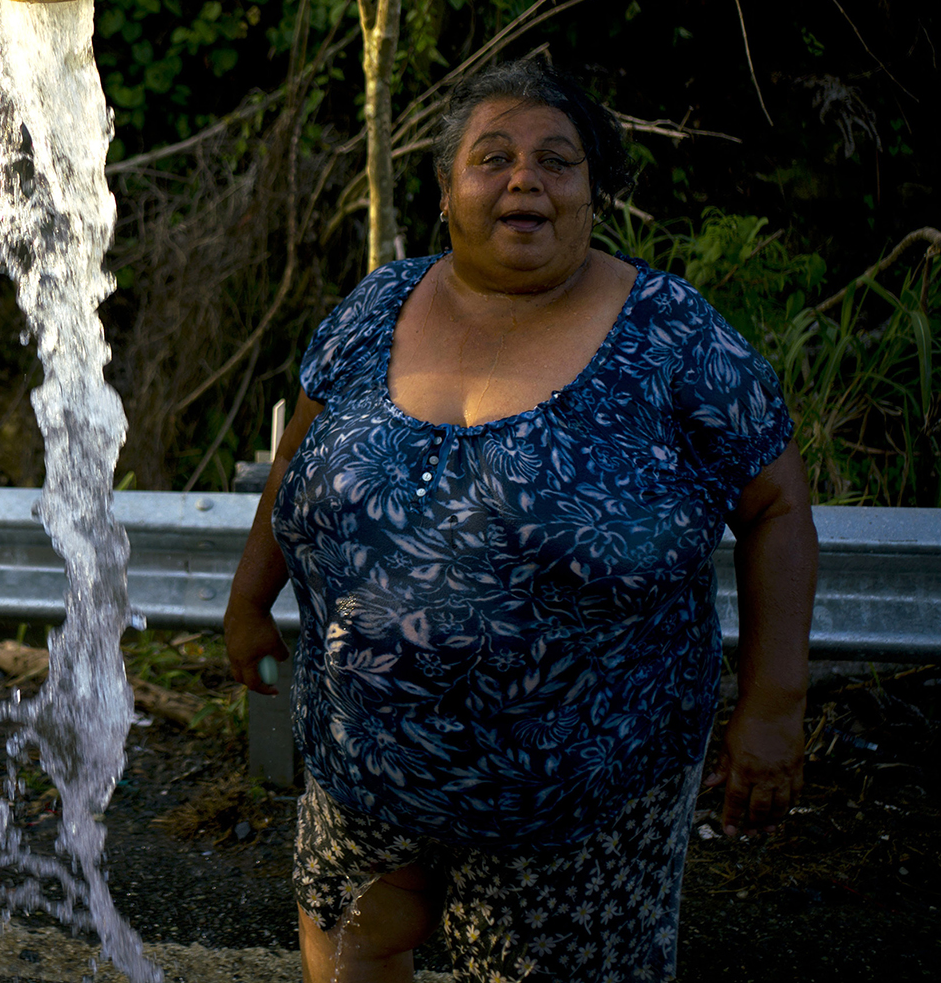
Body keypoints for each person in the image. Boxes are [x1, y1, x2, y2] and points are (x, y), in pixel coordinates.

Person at [222, 58, 818, 983]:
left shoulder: (672, 335)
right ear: (449, 191)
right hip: (365, 763)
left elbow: (778, 506)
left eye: (557, 160)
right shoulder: (376, 308)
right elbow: (297, 465)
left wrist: (773, 704)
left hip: (580, 800)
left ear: (590, 191)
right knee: (356, 944)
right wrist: (247, 602)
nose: (524, 179)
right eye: (491, 157)